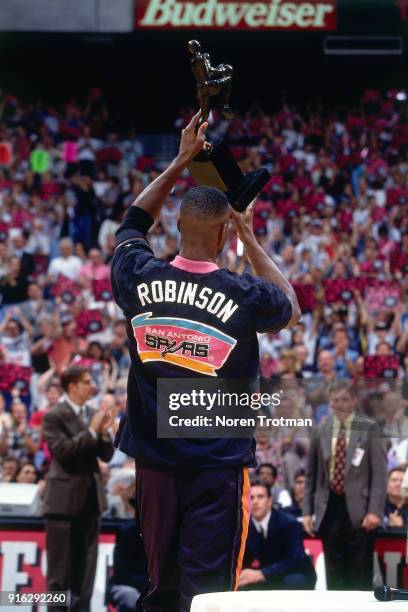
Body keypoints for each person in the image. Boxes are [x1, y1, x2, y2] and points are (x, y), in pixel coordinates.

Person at [111, 111, 301, 612]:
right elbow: (292, 308)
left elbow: (132, 221)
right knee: (211, 595)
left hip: (153, 466)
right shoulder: (242, 293)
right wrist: (251, 237)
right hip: (217, 469)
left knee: (162, 590)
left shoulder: (137, 274)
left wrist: (179, 161)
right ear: (223, 237)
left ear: (177, 225)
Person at [42, 366, 114, 612]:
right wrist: (93, 431)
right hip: (63, 503)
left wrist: (105, 435)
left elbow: (105, 455)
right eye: (85, 382)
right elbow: (62, 451)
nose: (91, 386)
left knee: (86, 576)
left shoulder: (93, 413)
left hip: (91, 502)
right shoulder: (54, 415)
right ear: (72, 387)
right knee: (59, 574)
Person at [303, 379, 387, 590]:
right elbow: (311, 474)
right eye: (335, 400)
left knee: (359, 572)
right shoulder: (321, 429)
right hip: (329, 507)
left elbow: (379, 474)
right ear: (329, 402)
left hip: (361, 511)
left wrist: (375, 511)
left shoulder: (369, 428)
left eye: (344, 399)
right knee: (334, 571)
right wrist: (307, 512)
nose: (339, 404)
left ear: (353, 401)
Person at [239, 481, 316, 590]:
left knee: (291, 581)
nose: (255, 501)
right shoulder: (245, 527)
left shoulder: (289, 523)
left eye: (260, 497)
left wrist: (262, 573)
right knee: (241, 583)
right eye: (251, 498)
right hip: (267, 576)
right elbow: (244, 559)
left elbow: (296, 559)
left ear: (270, 501)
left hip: (296, 573)